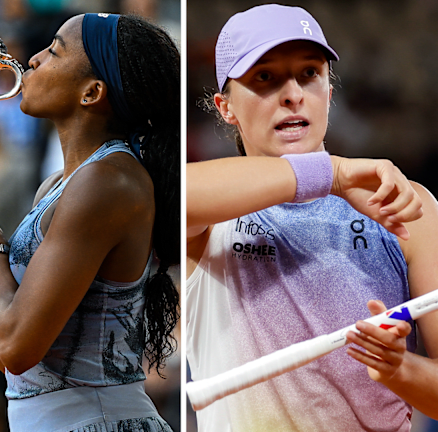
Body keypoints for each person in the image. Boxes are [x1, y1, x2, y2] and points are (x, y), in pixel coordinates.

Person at [187, 4, 438, 431]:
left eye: (309, 74)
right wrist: (333, 174)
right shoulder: (214, 207)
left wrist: (398, 367)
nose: (293, 94)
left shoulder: (406, 206)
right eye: (264, 77)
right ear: (225, 107)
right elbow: (175, 194)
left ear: (329, 93)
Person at [0, 12, 180, 431]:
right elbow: (11, 354)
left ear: (92, 92)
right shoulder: (59, 186)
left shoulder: (107, 180)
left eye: (54, 51)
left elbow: (15, 345)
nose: (34, 59)